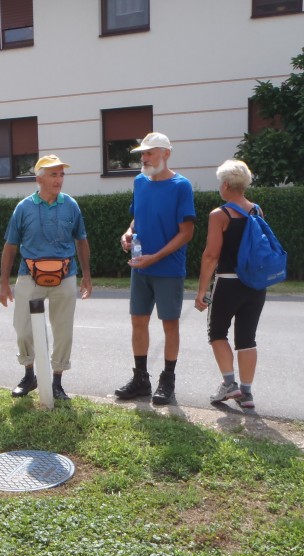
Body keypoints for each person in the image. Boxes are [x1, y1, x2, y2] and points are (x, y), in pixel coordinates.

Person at [0, 154, 92, 401]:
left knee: (63, 331)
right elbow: (10, 246)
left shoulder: (71, 205)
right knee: (22, 328)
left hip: (65, 277)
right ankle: (29, 375)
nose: (59, 179)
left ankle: (57, 382)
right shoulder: (24, 208)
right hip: (29, 277)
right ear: (39, 178)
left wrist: (87, 276)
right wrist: (4, 283)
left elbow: (81, 240)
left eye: (61, 174)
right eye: (54, 174)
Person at [115, 132, 196, 405]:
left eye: (149, 152)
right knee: (138, 322)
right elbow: (137, 217)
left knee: (169, 325)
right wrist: (128, 233)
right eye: (142, 153)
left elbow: (187, 232)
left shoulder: (180, 185)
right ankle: (141, 380)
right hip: (140, 267)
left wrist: (156, 257)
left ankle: (167, 381)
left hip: (168, 269)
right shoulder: (140, 181)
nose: (144, 158)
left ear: (166, 154)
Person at [194, 159, 266, 409]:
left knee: (217, 333)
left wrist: (202, 291)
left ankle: (229, 384)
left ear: (225, 185)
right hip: (255, 285)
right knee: (247, 337)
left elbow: (211, 255)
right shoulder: (257, 210)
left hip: (228, 283)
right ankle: (246, 394)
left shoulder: (220, 214)